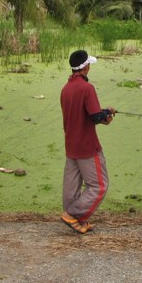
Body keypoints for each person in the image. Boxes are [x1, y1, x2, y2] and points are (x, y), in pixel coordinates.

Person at [59, 49, 116, 234]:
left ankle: (75, 218)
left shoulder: (66, 89)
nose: (90, 67)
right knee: (100, 185)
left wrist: (102, 114)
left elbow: (80, 115)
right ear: (85, 67)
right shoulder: (86, 88)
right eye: (88, 64)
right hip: (87, 147)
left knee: (71, 187)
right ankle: (73, 215)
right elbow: (95, 116)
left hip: (71, 145)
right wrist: (108, 112)